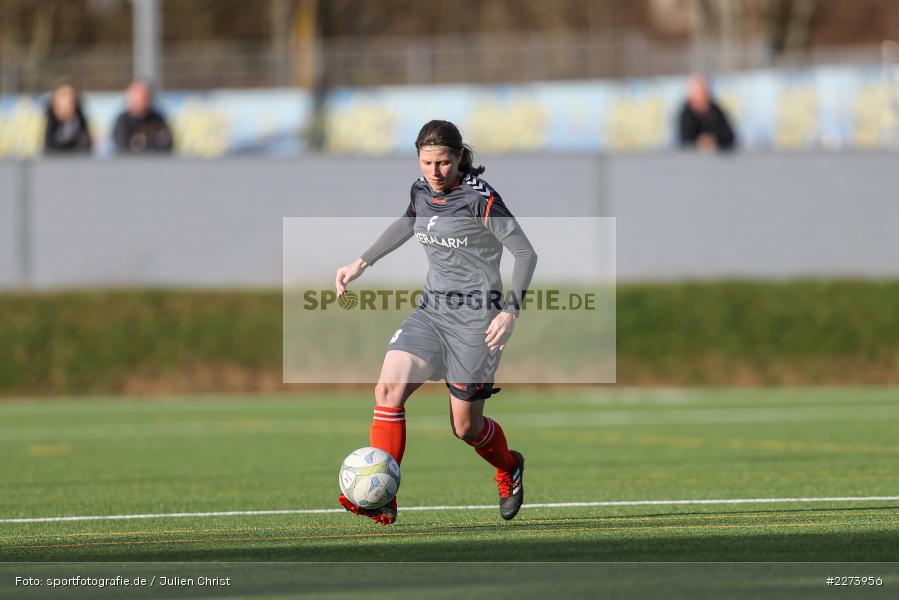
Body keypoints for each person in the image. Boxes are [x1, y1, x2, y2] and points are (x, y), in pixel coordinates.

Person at [334, 120, 538, 525]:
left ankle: (509, 465)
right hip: (432, 311)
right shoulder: (421, 190)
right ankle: (384, 496)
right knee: (387, 389)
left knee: (465, 427)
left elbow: (526, 253)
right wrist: (361, 262)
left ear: (460, 158)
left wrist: (510, 310)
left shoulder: (480, 199)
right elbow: (409, 222)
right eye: (427, 162)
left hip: (476, 321)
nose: (435, 171)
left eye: (443, 162)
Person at [678, 74, 736, 152]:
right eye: (700, 90)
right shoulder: (685, 114)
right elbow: (685, 141)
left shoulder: (716, 111)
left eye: (705, 89)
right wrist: (700, 142)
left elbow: (729, 136)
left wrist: (714, 140)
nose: (703, 93)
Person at [113, 80, 173, 154]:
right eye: (142, 97)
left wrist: (141, 144)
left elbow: (166, 145)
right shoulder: (123, 120)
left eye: (147, 96)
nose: (146, 100)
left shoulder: (157, 119)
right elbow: (123, 148)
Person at [44, 82, 92, 154]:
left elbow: (88, 145)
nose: (69, 100)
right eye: (64, 95)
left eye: (71, 97)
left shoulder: (81, 121)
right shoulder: (43, 121)